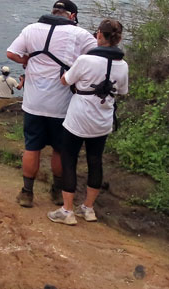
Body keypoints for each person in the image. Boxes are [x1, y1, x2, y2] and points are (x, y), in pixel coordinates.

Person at [6, 0, 96, 208]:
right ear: (72, 16)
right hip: (62, 104)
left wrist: (25, 60)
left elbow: (11, 53)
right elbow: (96, 59)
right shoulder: (80, 34)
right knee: (60, 149)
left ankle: (27, 193)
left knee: (32, 147)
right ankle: (56, 192)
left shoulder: (31, 29)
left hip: (33, 102)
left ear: (53, 12)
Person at [49, 19, 129, 225]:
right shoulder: (123, 65)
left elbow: (65, 80)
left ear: (99, 34)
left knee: (69, 159)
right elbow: (122, 91)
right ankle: (88, 208)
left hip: (79, 117)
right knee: (95, 160)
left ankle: (67, 210)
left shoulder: (85, 60)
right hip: (103, 119)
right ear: (119, 39)